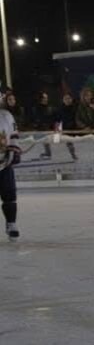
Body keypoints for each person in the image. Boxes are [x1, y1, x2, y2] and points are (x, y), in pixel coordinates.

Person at [1, 90, 20, 240]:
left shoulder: (6, 116)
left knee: (9, 195)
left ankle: (11, 223)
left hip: (4, 163)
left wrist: (15, 151)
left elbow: (14, 135)